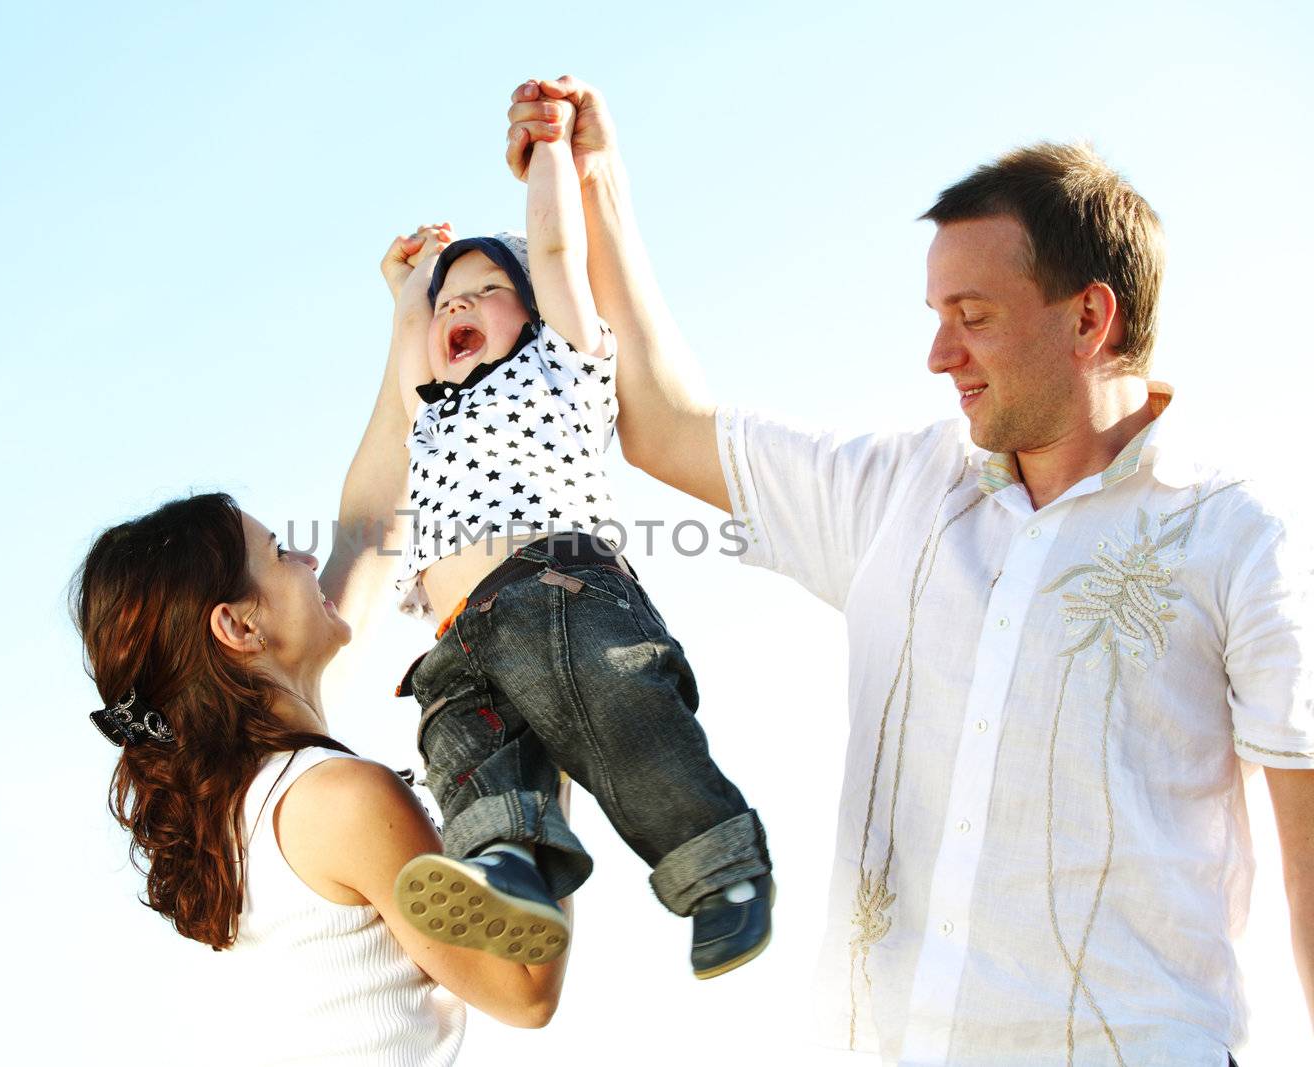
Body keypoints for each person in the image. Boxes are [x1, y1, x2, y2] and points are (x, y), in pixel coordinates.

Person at [505, 77, 1314, 1065]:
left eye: (971, 314)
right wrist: (591, 183)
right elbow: (661, 424)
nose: (937, 352)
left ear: (1088, 317)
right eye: (935, 313)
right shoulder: (893, 490)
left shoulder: (1239, 536)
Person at [71, 231, 575, 1062]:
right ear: (238, 627)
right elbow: (521, 986)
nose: (308, 557)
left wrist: (410, 324)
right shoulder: (337, 798)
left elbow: (371, 531)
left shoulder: (248, 801)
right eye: (279, 555)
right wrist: (558, 702)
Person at [383, 95, 772, 980]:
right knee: (468, 748)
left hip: (556, 590)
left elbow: (557, 250)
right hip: (457, 640)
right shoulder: (432, 414)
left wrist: (549, 158)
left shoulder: (563, 365)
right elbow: (412, 331)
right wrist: (408, 284)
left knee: (621, 714)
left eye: (487, 292)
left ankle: (722, 869)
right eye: (450, 300)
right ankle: (508, 866)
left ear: (534, 312)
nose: (458, 307)